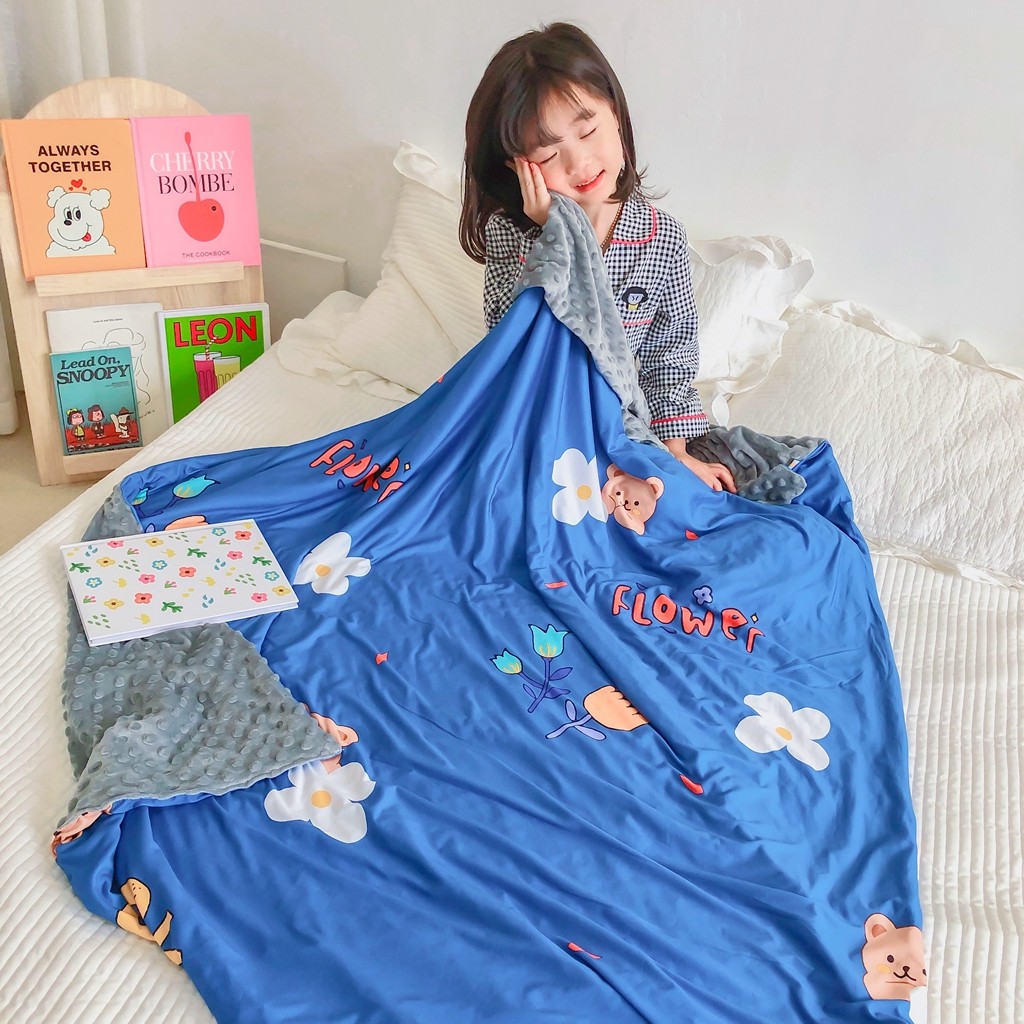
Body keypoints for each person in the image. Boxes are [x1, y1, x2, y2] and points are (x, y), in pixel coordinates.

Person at [460, 22, 735, 493]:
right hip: (530, 420)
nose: (579, 163)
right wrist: (554, 234)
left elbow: (669, 357)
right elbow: (512, 341)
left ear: (617, 117)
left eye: (588, 131)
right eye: (548, 155)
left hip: (618, 430)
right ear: (517, 168)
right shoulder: (513, 233)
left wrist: (676, 455)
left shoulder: (661, 238)